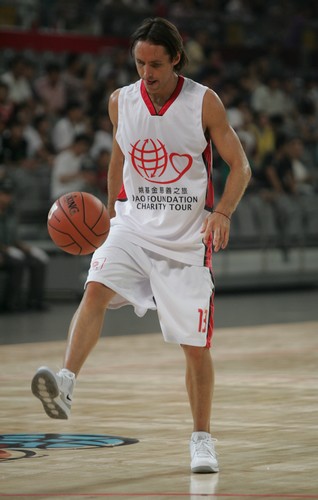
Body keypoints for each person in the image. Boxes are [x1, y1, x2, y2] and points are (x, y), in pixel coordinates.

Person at [31, 18, 251, 473]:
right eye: (139, 63)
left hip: (187, 236)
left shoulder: (203, 102)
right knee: (94, 288)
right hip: (132, 224)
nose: (146, 72)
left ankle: (201, 439)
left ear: (175, 59)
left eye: (155, 63)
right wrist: (110, 216)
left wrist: (222, 212)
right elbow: (120, 158)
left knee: (194, 346)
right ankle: (66, 382)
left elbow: (240, 165)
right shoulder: (120, 101)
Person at [0, 175, 49, 311]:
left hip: (10, 248)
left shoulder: (11, 212)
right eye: (4, 194)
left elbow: (13, 237)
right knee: (17, 263)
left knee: (38, 261)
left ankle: (35, 301)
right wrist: (6, 250)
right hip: (3, 250)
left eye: (9, 194)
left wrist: (28, 249)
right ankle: (10, 303)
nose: (7, 198)